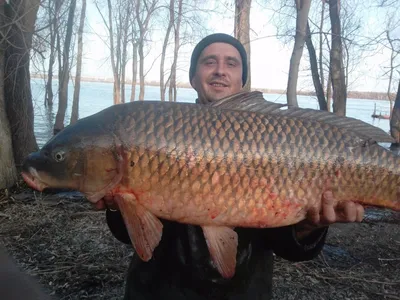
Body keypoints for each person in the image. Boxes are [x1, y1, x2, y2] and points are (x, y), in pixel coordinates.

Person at [104, 33, 365, 300]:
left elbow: (288, 247)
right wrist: (116, 205)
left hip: (245, 291)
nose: (220, 70)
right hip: (159, 291)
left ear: (242, 81)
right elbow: (129, 235)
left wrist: (310, 226)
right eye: (209, 62)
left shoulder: (272, 137)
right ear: (193, 78)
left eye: (231, 63)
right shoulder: (153, 130)